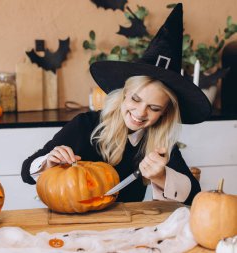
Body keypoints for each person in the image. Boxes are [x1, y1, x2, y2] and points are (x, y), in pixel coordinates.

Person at [21, 3, 211, 205]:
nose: (140, 112)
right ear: (124, 94)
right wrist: (49, 162)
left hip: (125, 227)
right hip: (76, 221)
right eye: (135, 99)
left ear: (164, 113)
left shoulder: (160, 144)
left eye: (154, 108)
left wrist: (161, 176)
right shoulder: (86, 125)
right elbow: (26, 172)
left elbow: (194, 195)